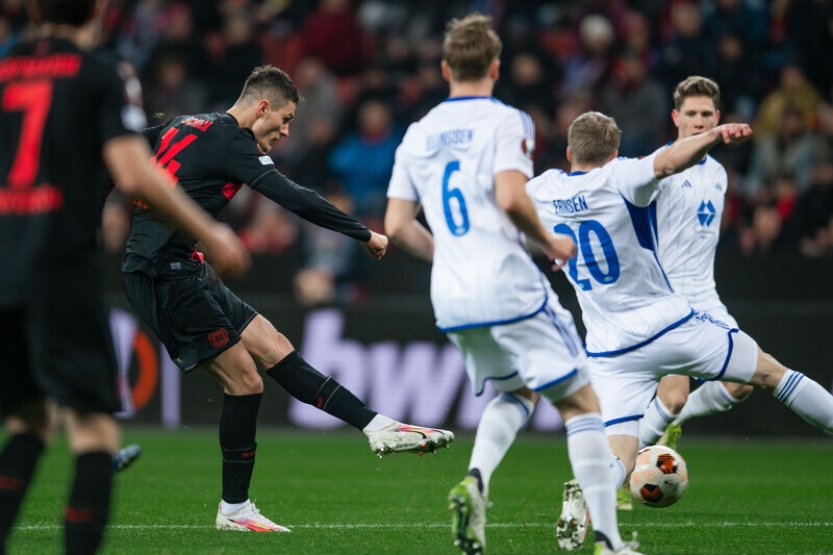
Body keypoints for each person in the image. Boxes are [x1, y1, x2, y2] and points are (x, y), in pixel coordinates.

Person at [121, 64, 454, 533]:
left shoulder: (184, 124)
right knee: (245, 382)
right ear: (262, 107)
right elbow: (293, 196)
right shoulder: (232, 141)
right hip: (161, 272)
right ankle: (234, 510)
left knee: (274, 345)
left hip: (185, 265)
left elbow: (123, 148)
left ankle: (376, 426)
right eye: (285, 118)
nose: (286, 130)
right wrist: (361, 233)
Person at [384, 14, 640, 555]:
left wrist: (448, 256)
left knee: (516, 389)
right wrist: (551, 241)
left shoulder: (418, 133)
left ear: (445, 67)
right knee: (582, 404)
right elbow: (509, 197)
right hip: (505, 282)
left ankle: (475, 481)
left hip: (450, 296)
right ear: (496, 67)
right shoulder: (508, 121)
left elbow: (397, 226)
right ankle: (611, 542)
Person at [0, 0, 250, 552]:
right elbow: (135, 169)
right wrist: (210, 232)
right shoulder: (101, 73)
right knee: (93, 429)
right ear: (100, 11)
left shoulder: (7, 65)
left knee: (29, 422)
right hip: (59, 263)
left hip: (6, 263)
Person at [527, 111, 833, 550]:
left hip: (611, 350)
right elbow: (670, 161)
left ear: (570, 152)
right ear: (614, 152)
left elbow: (503, 204)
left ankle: (589, 491)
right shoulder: (622, 175)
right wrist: (714, 135)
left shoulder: (542, 189)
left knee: (620, 451)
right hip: (668, 326)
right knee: (770, 374)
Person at [636, 77, 754, 457]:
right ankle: (620, 470)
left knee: (744, 381)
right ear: (676, 117)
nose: (699, 121)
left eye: (706, 114)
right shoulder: (658, 168)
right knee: (672, 396)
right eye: (691, 113)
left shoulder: (719, 174)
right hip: (664, 299)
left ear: (717, 117)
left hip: (705, 296)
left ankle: (674, 424)